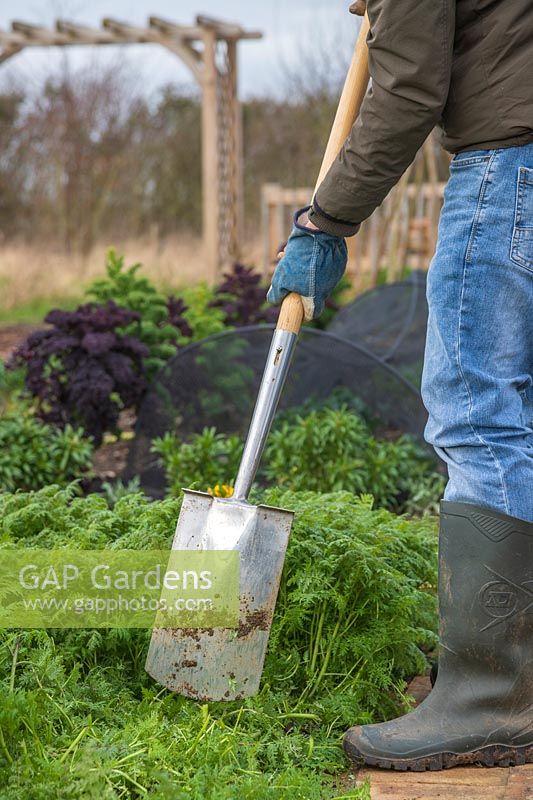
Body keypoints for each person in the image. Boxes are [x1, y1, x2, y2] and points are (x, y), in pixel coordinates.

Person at [268, 0, 533, 772]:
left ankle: (489, 697)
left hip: (507, 171)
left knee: (479, 417)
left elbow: (410, 87)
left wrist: (325, 218)